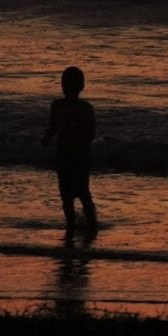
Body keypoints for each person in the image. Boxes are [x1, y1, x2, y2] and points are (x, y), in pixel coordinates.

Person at [43, 65, 99, 235]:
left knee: (83, 192)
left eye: (70, 84)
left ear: (81, 87)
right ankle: (71, 224)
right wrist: (47, 138)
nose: (66, 87)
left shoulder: (86, 108)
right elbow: (53, 126)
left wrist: (83, 143)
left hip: (79, 155)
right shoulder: (57, 105)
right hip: (63, 155)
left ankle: (92, 224)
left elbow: (91, 131)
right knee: (66, 194)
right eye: (64, 83)